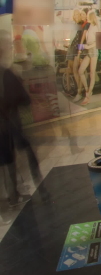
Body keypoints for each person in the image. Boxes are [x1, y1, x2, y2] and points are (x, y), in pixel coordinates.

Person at [0, 48, 42, 207]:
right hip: (8, 125)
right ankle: (14, 196)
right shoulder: (6, 74)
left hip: (5, 125)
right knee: (12, 158)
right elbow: (23, 99)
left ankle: (11, 196)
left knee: (6, 160)